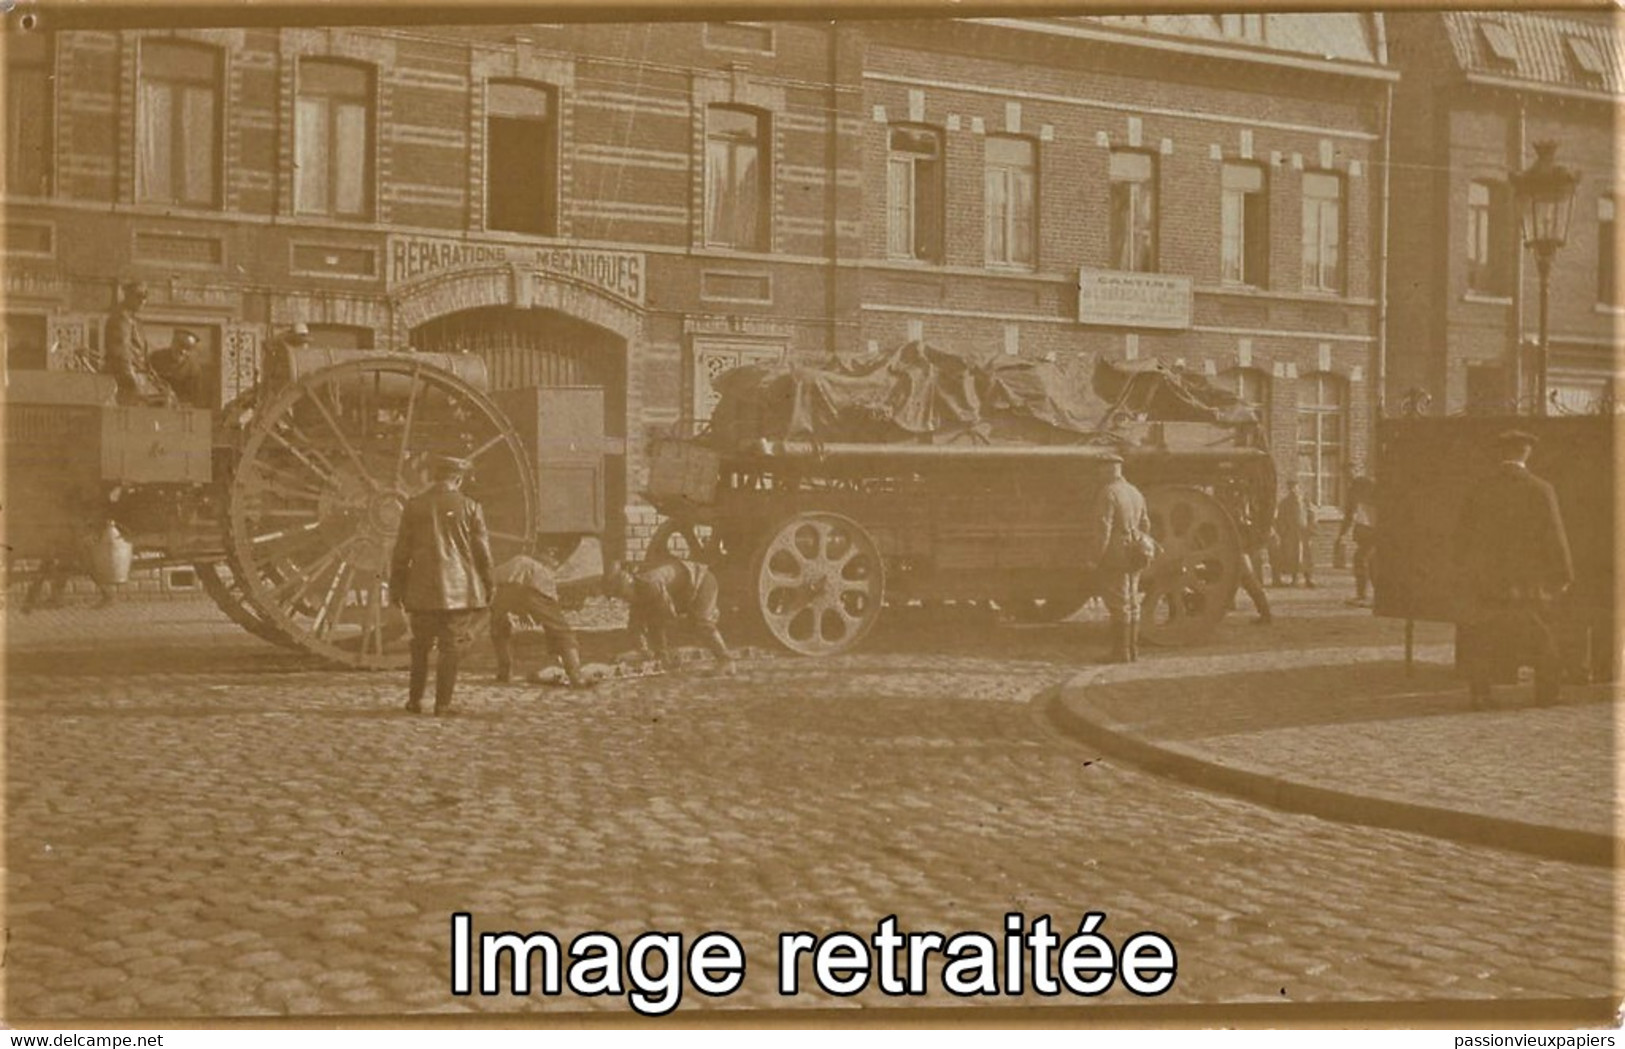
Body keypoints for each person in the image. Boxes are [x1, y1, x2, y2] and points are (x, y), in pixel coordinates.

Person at [1454, 430, 1574, 708]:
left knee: (1482, 637)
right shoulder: (1541, 489)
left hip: (1487, 580)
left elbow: (1463, 536)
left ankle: (1481, 695)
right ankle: (1547, 693)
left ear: (1500, 454)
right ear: (1527, 453)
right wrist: (1564, 574)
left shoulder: (1480, 489)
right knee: (1543, 637)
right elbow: (1554, 535)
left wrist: (1464, 570)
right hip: (1529, 582)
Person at [388, 455, 495, 716]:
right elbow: (482, 553)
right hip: (458, 592)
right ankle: (442, 704)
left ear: (435, 477)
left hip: (421, 590)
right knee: (450, 649)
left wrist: (396, 587)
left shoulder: (414, 506)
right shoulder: (470, 507)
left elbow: (401, 552)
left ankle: (414, 701)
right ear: (458, 479)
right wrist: (489, 583)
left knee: (420, 646)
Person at [604, 557, 735, 674]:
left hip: (703, 581)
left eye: (624, 594)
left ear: (630, 583)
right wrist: (642, 650)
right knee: (653, 618)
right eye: (621, 596)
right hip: (685, 590)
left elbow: (666, 615)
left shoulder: (650, 582)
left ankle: (726, 661)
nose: (625, 599)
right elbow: (635, 625)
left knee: (702, 623)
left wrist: (657, 650)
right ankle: (662, 658)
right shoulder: (637, 589)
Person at [489, 541, 590, 689]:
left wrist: (519, 608)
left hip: (503, 585)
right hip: (526, 584)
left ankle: (504, 672)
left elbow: (511, 591)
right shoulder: (541, 572)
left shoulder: (514, 563)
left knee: (499, 625)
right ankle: (575, 675)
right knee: (559, 628)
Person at [1086, 452, 1152, 663]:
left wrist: (1095, 558)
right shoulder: (1135, 492)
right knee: (1133, 601)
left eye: (1100, 468)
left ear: (1108, 469)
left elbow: (1103, 530)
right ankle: (1132, 651)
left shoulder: (1108, 493)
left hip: (1116, 554)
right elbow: (1146, 524)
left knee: (1118, 603)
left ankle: (1120, 653)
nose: (1097, 472)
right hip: (1136, 551)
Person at [102, 280, 167, 406]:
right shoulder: (120, 319)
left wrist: (151, 377)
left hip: (139, 376)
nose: (143, 301)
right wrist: (134, 383)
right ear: (128, 296)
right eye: (139, 296)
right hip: (126, 382)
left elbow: (141, 353)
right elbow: (121, 354)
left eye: (145, 297)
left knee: (167, 396)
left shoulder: (133, 320)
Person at [1337, 474, 1379, 607]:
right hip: (1367, 535)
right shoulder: (1357, 494)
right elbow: (1349, 516)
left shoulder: (1372, 497)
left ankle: (1365, 596)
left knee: (1361, 560)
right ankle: (1370, 596)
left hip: (1373, 535)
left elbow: (1351, 516)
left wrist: (1342, 535)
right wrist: (1341, 534)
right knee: (1369, 563)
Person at [1273, 479, 1319, 588]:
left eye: (1295, 487)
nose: (1293, 490)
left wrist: (1311, 529)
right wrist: (1283, 532)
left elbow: (1312, 515)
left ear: (1299, 488)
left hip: (1304, 533)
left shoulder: (1305, 502)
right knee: (1292, 556)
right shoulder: (1284, 503)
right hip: (1291, 534)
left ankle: (1309, 578)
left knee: (1306, 555)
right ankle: (1294, 578)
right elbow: (1280, 519)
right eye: (1291, 488)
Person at [149, 330, 204, 407]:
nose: (183, 351)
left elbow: (194, 398)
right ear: (173, 343)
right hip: (154, 405)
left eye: (188, 348)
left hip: (179, 409)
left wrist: (175, 401)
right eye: (180, 345)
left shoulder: (194, 369)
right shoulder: (156, 358)